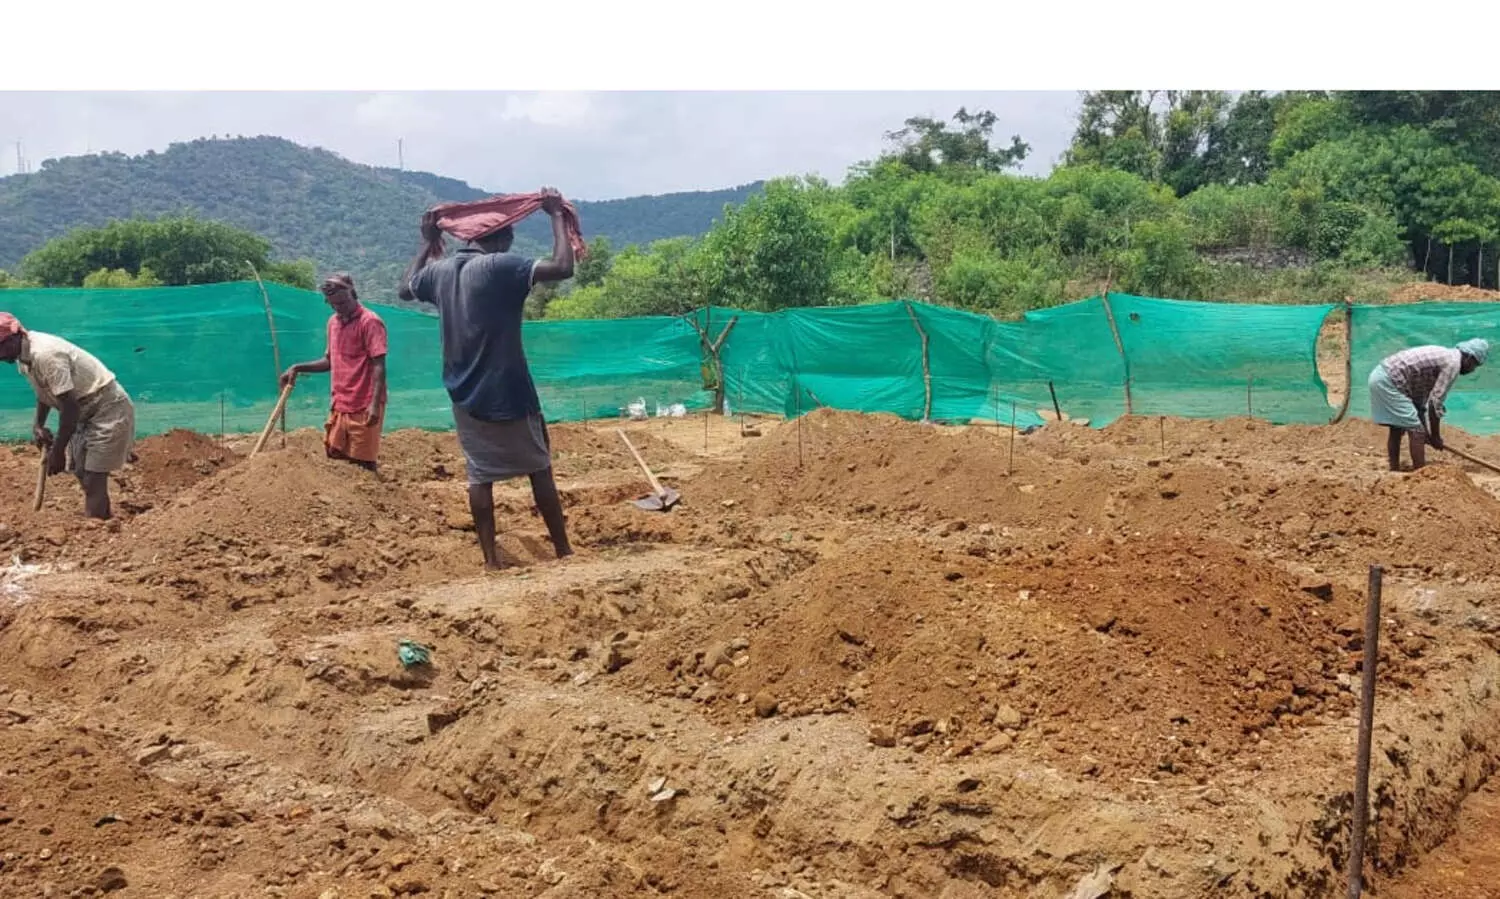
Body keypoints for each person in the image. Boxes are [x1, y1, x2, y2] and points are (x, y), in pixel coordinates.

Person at [402, 187, 577, 570]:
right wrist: (555, 216)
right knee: (539, 466)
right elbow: (563, 267)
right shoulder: (501, 266)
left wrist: (426, 244)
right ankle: (563, 551)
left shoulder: (439, 272)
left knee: (479, 475)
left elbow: (405, 288)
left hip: (463, 390)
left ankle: (491, 561)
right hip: (507, 388)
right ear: (503, 236)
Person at [0, 312, 136, 519]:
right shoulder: (24, 357)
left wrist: (57, 450)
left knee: (92, 476)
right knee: (82, 472)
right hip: (83, 413)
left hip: (106, 408)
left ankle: (96, 529)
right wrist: (38, 425)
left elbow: (69, 407)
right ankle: (105, 522)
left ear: (14, 336)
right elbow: (45, 392)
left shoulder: (46, 355)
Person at [280, 274, 389, 472]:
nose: (340, 307)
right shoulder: (333, 323)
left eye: (343, 302)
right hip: (340, 402)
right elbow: (330, 361)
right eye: (334, 304)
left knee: (362, 462)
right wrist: (297, 367)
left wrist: (374, 405)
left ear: (352, 293)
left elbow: (379, 365)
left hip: (364, 403)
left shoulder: (370, 322)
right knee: (335, 456)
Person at [1368, 338, 1489, 471]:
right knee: (1416, 431)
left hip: (1381, 376)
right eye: (1475, 365)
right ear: (1469, 358)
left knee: (1398, 427)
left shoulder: (1445, 357)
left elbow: (1419, 403)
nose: (1472, 370)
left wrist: (1427, 431)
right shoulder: (1452, 364)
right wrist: (1435, 436)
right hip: (1389, 381)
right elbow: (1435, 403)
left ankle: (1394, 470)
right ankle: (1421, 475)